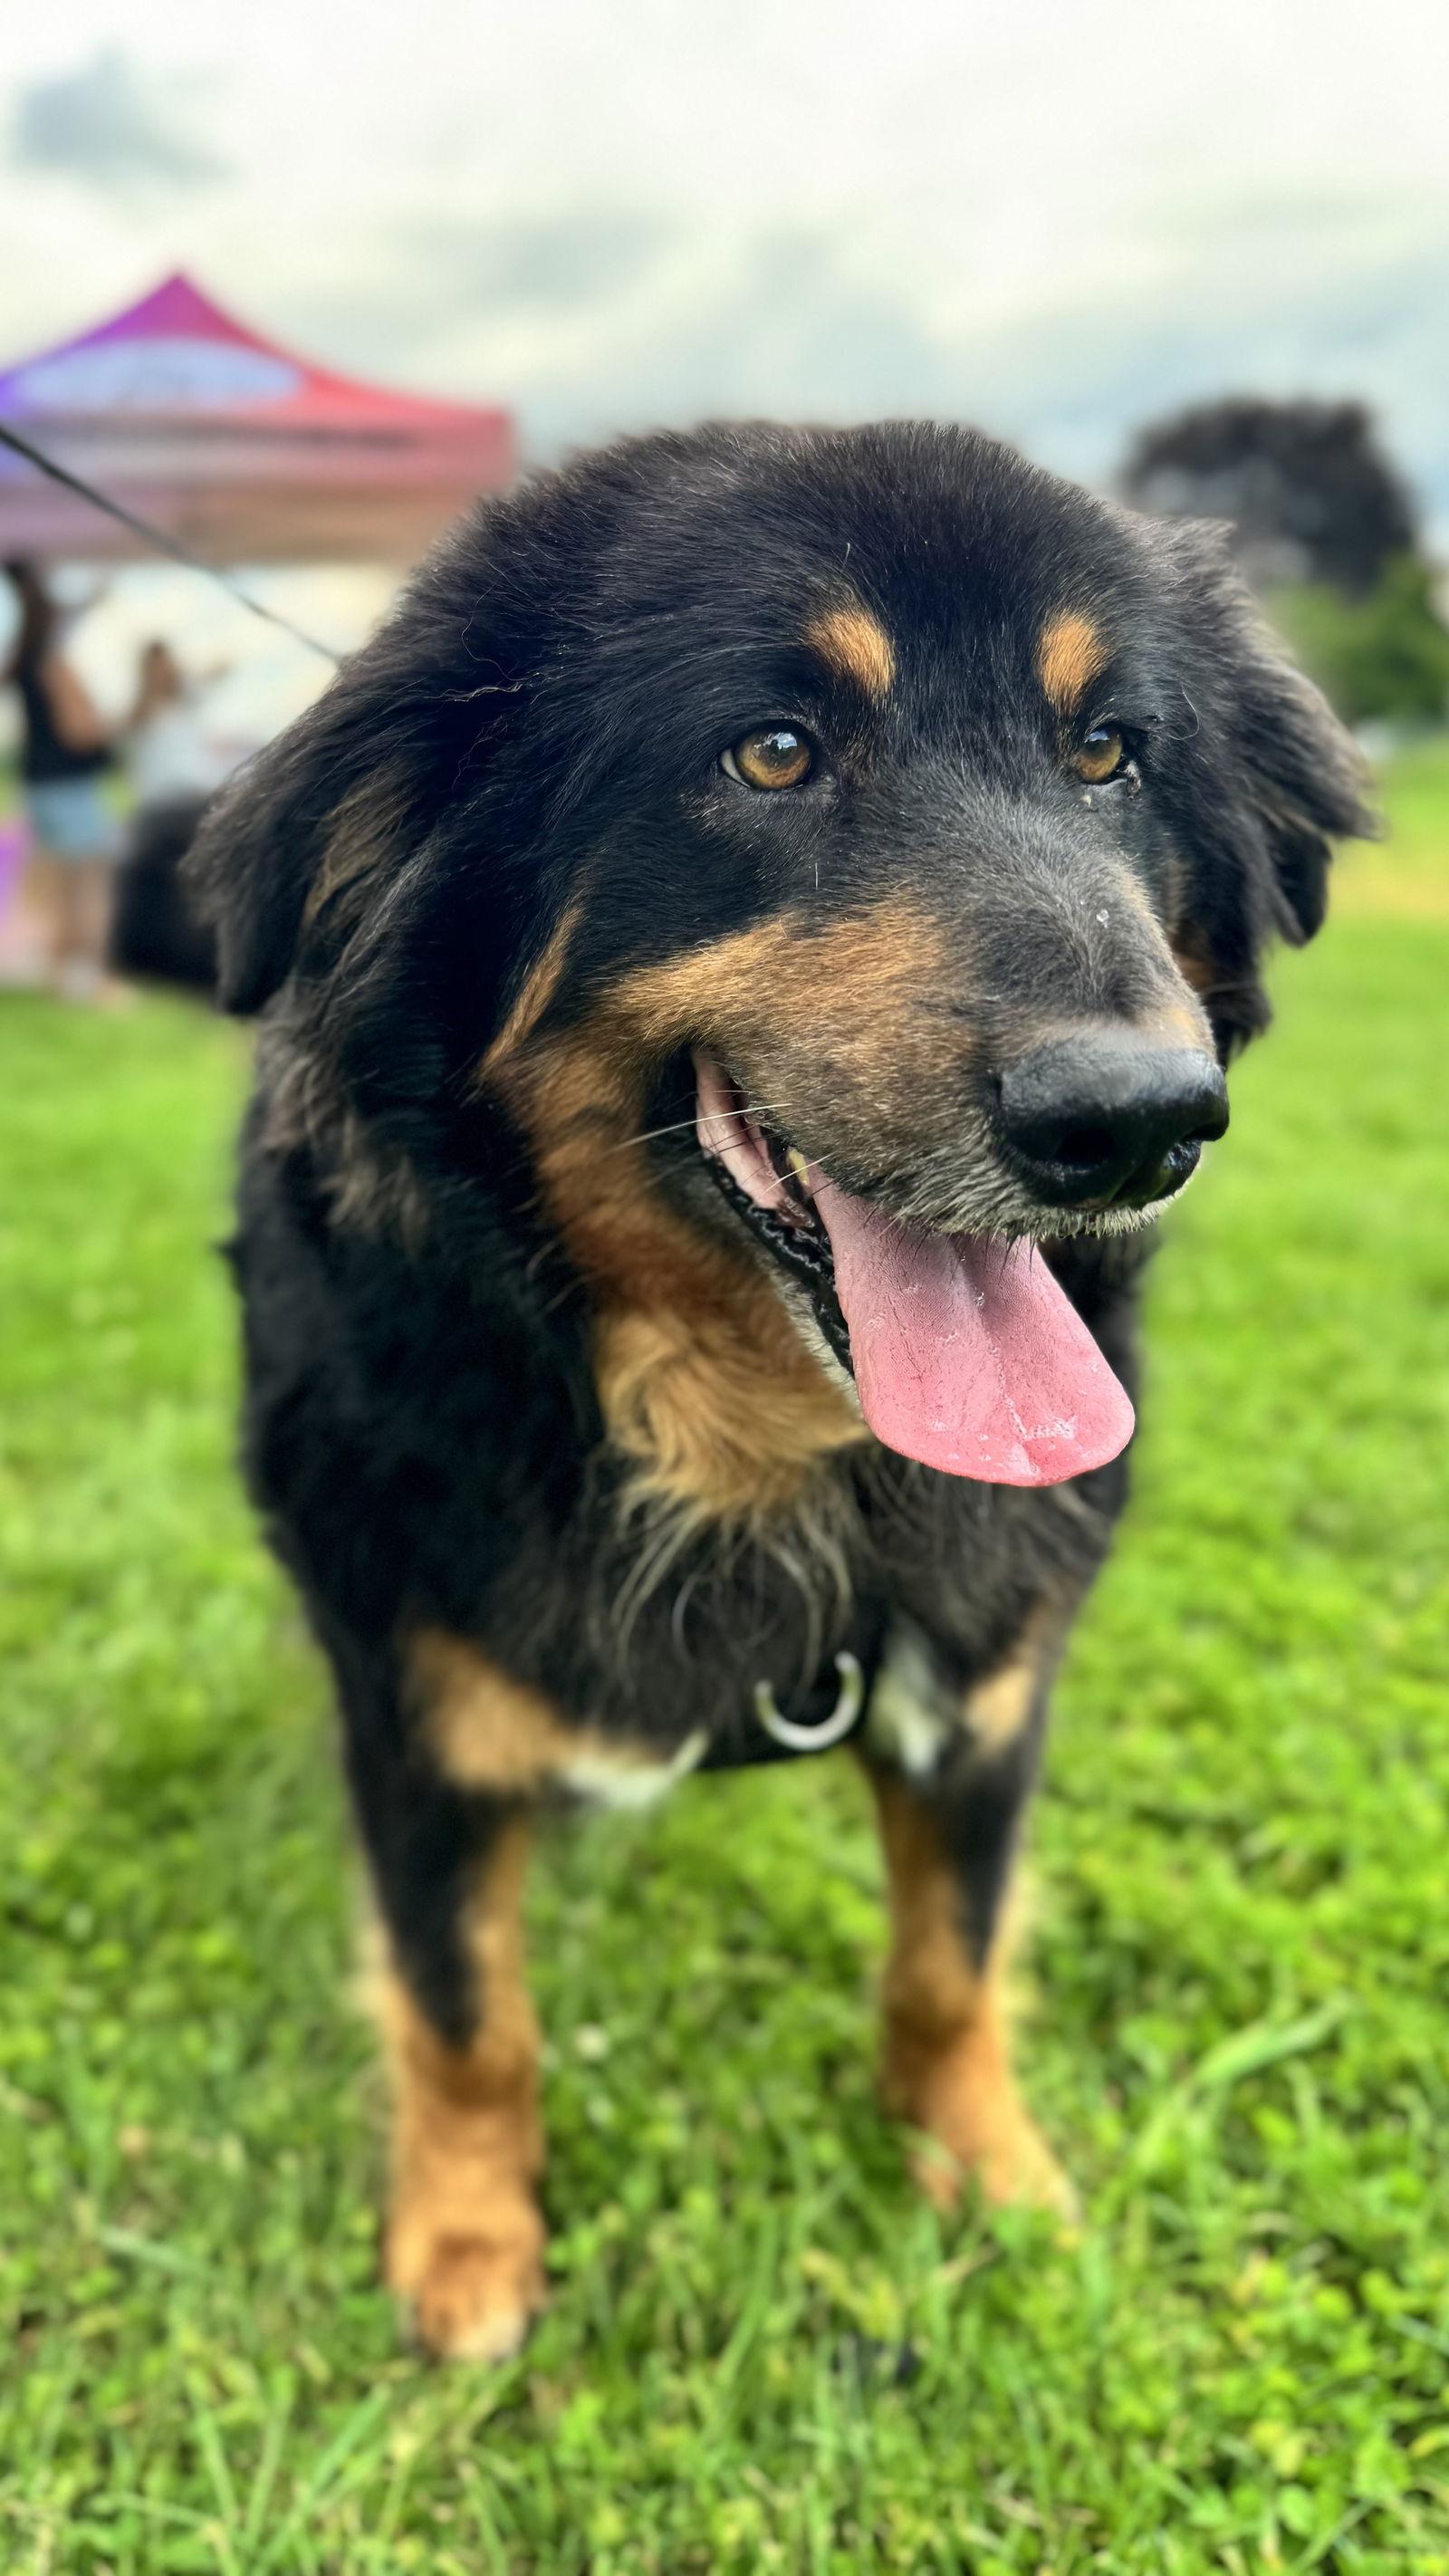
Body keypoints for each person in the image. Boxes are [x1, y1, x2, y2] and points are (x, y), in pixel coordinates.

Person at [3, 559, 123, 1003]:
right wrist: (112, 724)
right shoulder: (54, 661)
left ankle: (60, 969)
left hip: (37, 785)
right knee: (89, 881)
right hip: (72, 786)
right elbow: (80, 730)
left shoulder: (22, 657)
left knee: (55, 879)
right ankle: (89, 976)